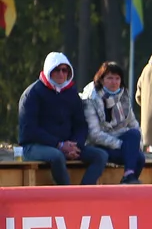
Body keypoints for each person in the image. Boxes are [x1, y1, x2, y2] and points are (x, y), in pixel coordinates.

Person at [17, 52, 108, 186]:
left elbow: (81, 125)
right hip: (34, 146)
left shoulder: (71, 93)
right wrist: (59, 145)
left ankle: (84, 192)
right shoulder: (32, 94)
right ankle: (68, 193)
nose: (61, 74)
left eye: (65, 70)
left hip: (66, 146)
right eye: (57, 70)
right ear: (48, 71)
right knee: (57, 156)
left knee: (101, 155)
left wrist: (75, 145)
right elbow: (30, 130)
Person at [81, 61, 145, 184]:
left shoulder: (123, 96)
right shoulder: (91, 99)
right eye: (110, 78)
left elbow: (133, 123)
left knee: (135, 139)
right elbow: (94, 134)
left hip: (117, 140)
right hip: (97, 144)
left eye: (117, 78)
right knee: (137, 157)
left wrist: (137, 145)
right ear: (101, 80)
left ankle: (128, 178)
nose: (114, 82)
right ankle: (127, 180)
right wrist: (123, 145)